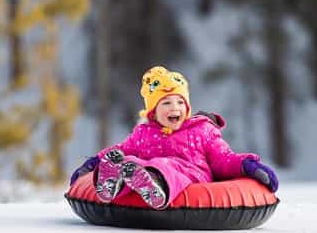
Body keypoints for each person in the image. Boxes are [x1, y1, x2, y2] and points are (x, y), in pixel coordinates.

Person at [70, 65, 279, 210]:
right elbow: (122, 149)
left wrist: (249, 166)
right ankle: (112, 183)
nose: (175, 108)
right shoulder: (144, 133)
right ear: (153, 111)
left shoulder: (202, 130)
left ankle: (153, 182)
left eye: (180, 103)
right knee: (130, 162)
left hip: (191, 175)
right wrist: (93, 164)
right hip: (147, 168)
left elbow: (223, 158)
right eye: (166, 103)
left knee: (163, 164)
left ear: (187, 107)